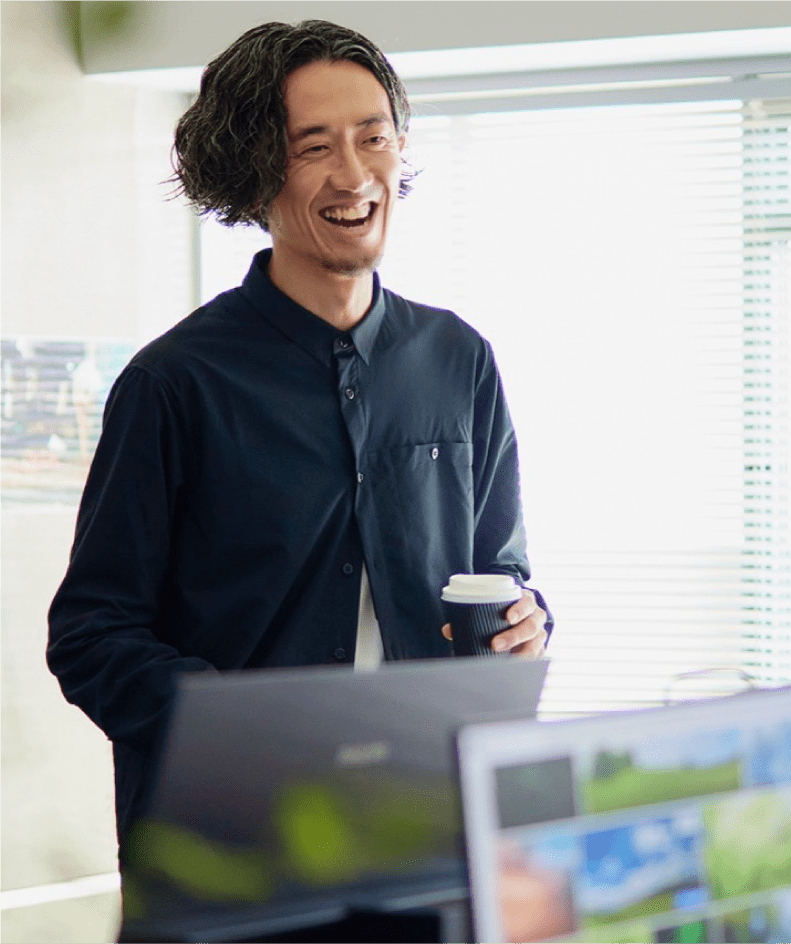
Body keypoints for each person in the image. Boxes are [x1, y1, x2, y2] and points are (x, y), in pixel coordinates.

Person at [47, 19, 551, 843]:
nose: (354, 175)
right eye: (313, 147)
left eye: (373, 137)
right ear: (253, 175)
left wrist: (525, 622)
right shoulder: (173, 383)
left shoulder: (458, 359)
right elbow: (92, 634)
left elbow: (498, 570)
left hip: (426, 823)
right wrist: (238, 728)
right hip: (234, 839)